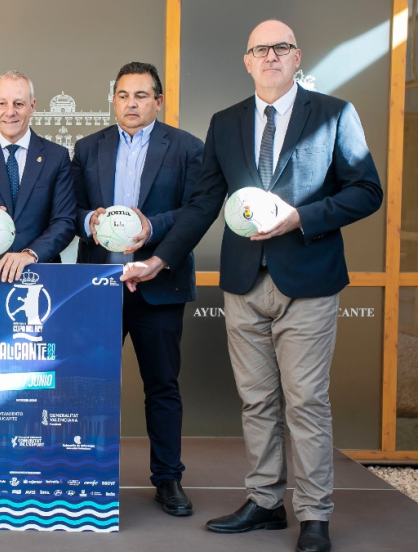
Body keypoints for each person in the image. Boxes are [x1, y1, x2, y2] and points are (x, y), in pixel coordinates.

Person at [121, 20, 383, 552]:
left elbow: (367, 191)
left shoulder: (334, 114)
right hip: (243, 282)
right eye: (260, 49)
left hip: (307, 280)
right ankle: (265, 502)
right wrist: (158, 259)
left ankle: (313, 515)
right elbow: (202, 205)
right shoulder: (226, 122)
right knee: (257, 401)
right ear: (247, 60)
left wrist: (300, 217)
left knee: (306, 402)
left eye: (280, 48)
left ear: (296, 57)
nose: (270, 57)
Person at [71, 61, 203, 517]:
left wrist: (152, 227)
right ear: (114, 100)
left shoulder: (186, 148)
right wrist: (92, 221)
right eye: (124, 95)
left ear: (158, 101)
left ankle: (168, 479)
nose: (131, 103)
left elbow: (195, 212)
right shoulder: (88, 148)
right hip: (100, 286)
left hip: (158, 285)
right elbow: (72, 211)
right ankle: (86, 475)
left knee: (162, 387)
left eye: (142, 95)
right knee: (89, 387)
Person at [0, 71, 76, 282]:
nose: (10, 112)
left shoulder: (57, 156)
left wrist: (31, 254)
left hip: (39, 272)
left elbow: (64, 220)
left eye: (18, 104)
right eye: (2, 103)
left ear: (32, 105)